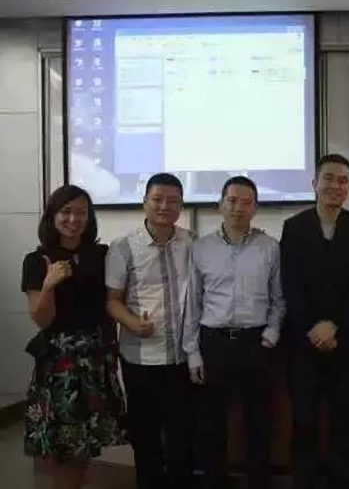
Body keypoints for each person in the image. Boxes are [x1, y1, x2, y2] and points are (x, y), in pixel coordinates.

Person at [280, 154, 349, 489]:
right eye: (329, 178)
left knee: (344, 422)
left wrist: (335, 325)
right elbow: (289, 284)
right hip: (302, 343)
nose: (336, 185)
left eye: (343, 180)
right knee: (304, 420)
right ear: (315, 184)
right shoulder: (294, 227)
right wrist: (313, 328)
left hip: (345, 341)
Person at [21, 185, 126, 489]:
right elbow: (42, 320)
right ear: (52, 215)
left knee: (85, 446)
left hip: (96, 360)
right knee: (63, 449)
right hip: (60, 366)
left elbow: (115, 301)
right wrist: (49, 284)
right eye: (66, 211)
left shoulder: (102, 255)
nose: (73, 219)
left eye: (81, 212)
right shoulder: (37, 260)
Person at [184, 176, 286, 489]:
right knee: (212, 424)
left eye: (246, 202)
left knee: (259, 421)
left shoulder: (270, 247)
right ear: (220, 204)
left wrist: (271, 332)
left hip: (256, 343)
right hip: (213, 343)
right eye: (232, 200)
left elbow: (279, 298)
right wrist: (193, 353)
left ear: (255, 208)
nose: (238, 208)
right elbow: (193, 302)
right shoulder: (201, 248)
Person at [106, 173, 195, 489]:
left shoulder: (191, 242)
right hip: (140, 358)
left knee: (182, 435)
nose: (164, 206)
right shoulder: (123, 247)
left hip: (181, 357)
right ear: (144, 202)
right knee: (146, 436)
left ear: (181, 206)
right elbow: (112, 301)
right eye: (157, 199)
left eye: (173, 201)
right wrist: (131, 323)